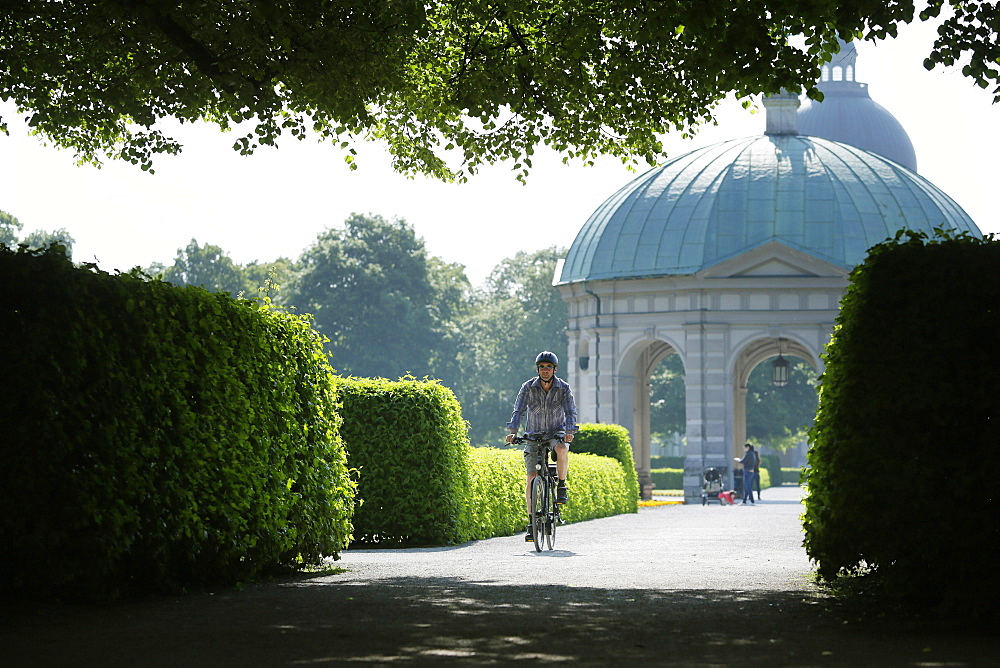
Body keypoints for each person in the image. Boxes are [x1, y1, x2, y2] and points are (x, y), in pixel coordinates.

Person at [506, 351, 578, 542]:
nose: (545, 370)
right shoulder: (528, 387)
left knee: (562, 449)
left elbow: (571, 412)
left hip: (556, 433)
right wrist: (513, 432)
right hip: (533, 435)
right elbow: (518, 411)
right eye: (542, 367)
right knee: (531, 477)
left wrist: (570, 431)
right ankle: (531, 523)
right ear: (537, 369)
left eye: (548, 367)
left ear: (555, 369)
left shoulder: (563, 388)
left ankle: (561, 486)